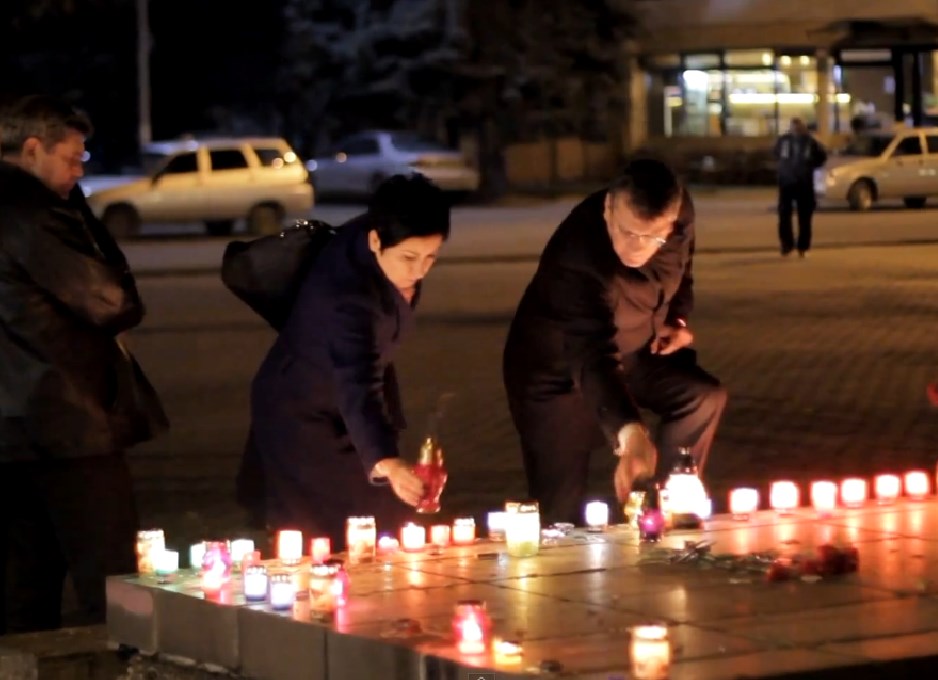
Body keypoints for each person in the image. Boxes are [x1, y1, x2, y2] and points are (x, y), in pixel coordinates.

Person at [0, 95, 167, 633]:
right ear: (32, 150)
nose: (79, 171)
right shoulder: (35, 212)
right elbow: (111, 301)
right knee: (111, 581)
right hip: (64, 423)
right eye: (72, 158)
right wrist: (86, 222)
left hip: (11, 429)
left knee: (23, 584)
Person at [502, 157, 727, 526]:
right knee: (559, 514)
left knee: (701, 396)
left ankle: (668, 510)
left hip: (636, 352)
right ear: (608, 206)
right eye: (626, 231)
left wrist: (677, 318)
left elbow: (682, 268)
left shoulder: (679, 212)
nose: (637, 247)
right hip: (559, 369)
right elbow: (592, 354)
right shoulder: (577, 257)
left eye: (652, 236)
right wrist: (631, 432)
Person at [249, 174, 451, 550]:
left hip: (345, 405)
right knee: (323, 531)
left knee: (375, 514)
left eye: (430, 258)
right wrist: (387, 461)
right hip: (302, 412)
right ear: (375, 240)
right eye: (409, 258)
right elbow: (357, 383)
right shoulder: (349, 300)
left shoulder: (382, 233)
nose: (419, 271)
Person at [774, 118, 827, 257]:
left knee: (804, 216)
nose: (796, 130)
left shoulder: (810, 142)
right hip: (786, 182)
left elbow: (821, 157)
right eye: (794, 128)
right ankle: (787, 245)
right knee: (784, 215)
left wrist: (809, 167)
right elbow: (775, 154)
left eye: (798, 128)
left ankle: (803, 246)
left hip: (803, 183)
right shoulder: (784, 140)